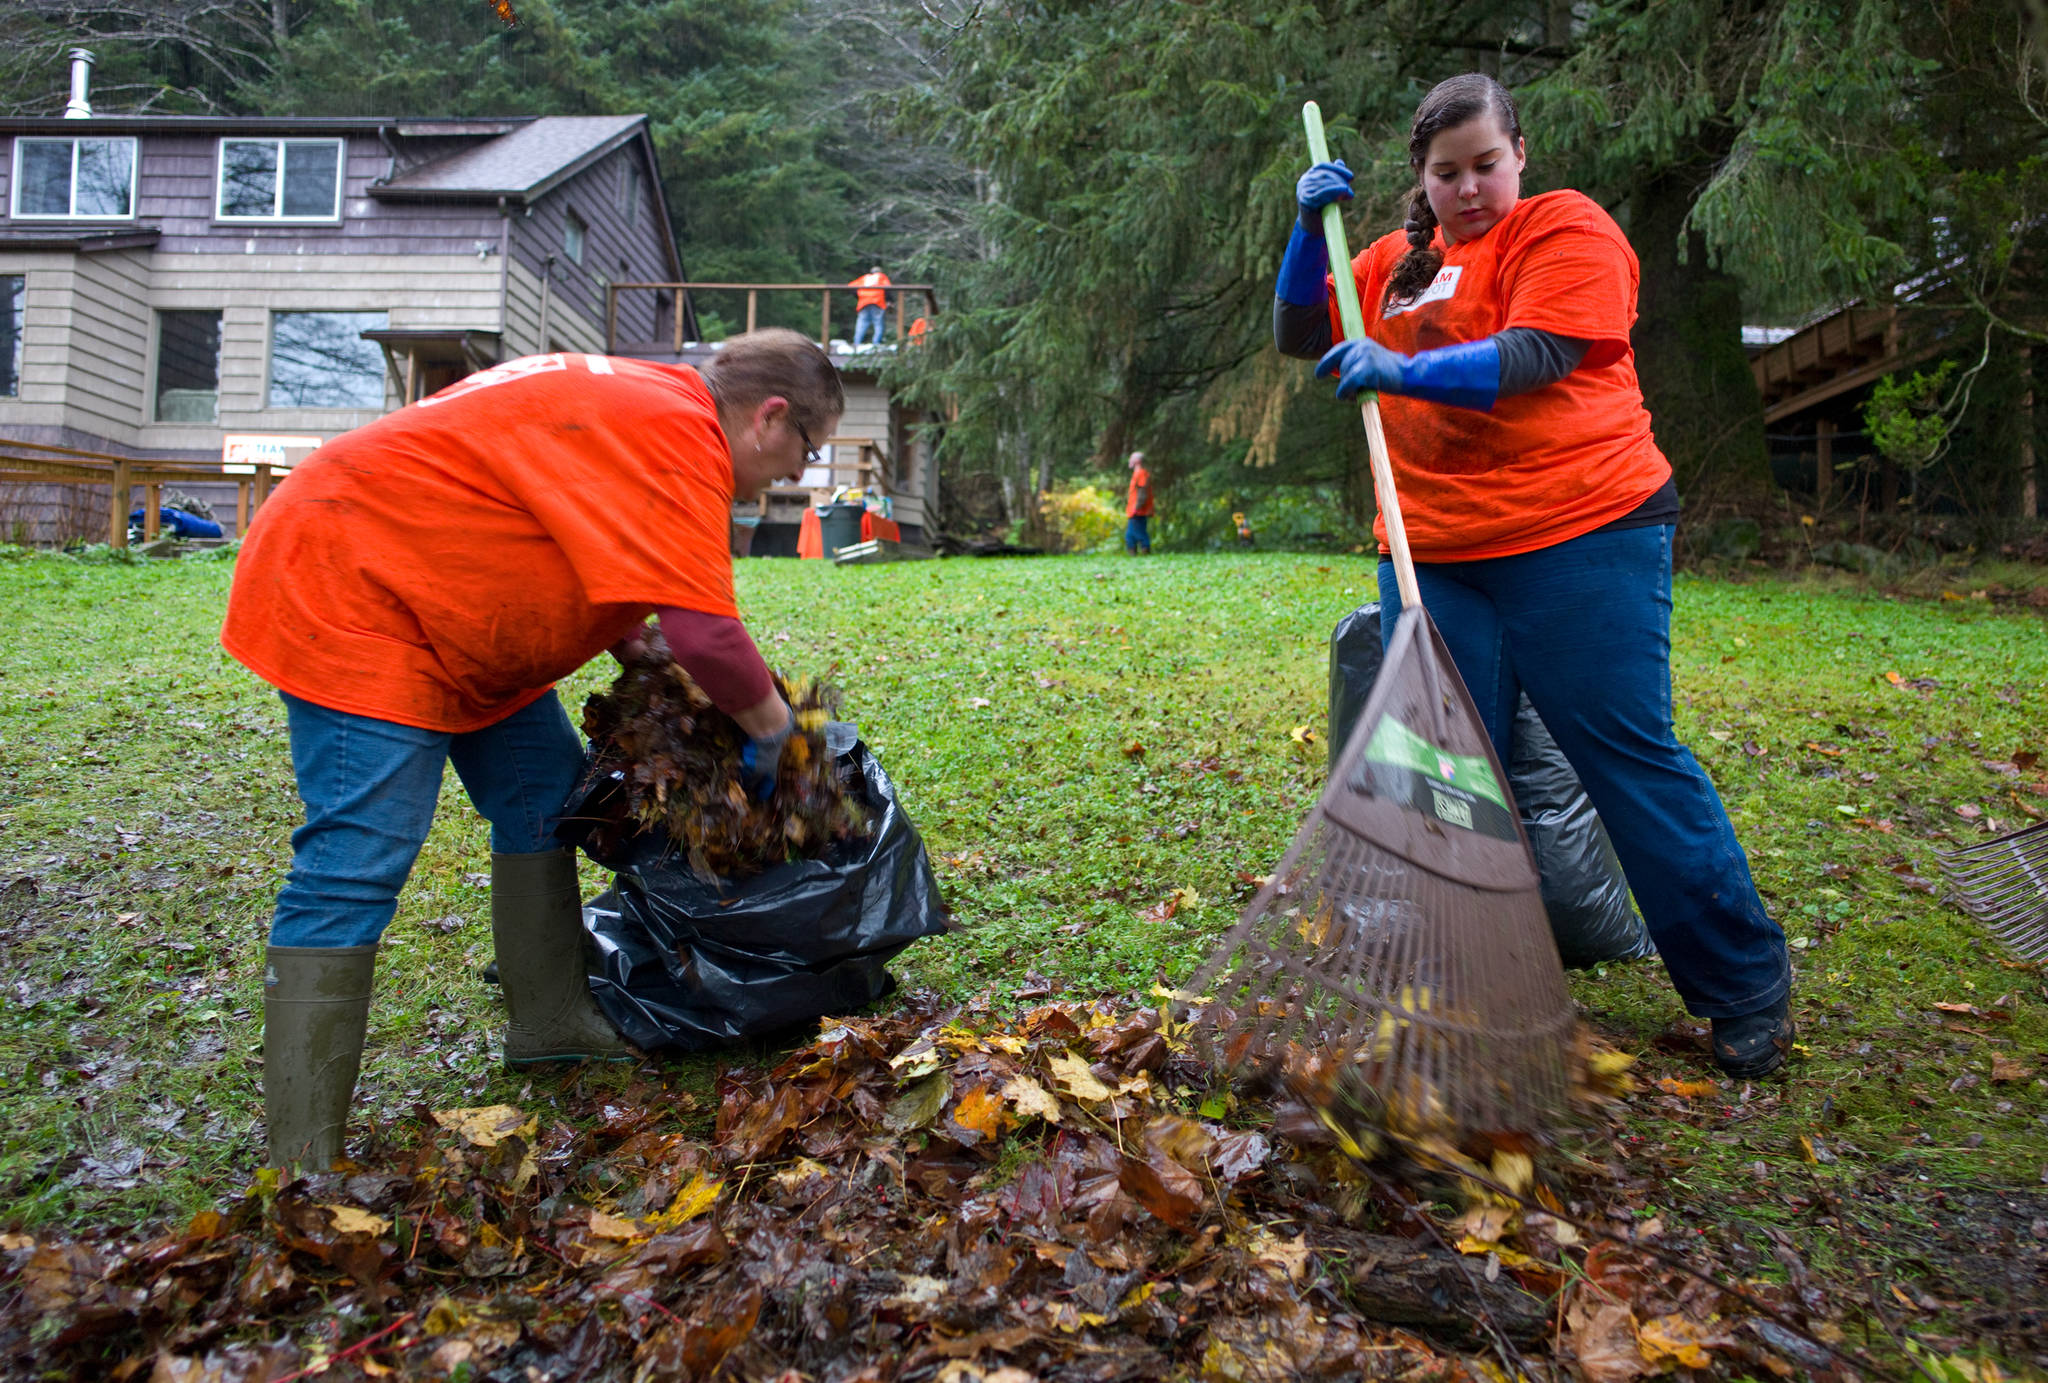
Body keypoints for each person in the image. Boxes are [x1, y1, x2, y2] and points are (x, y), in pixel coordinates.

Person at [1272, 73, 1793, 1079]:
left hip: (1580, 532)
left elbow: (1537, 352)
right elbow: (1301, 333)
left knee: (1625, 757)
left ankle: (1742, 987)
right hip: (1430, 552)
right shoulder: (1388, 260)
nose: (1466, 189)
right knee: (1448, 776)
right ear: (1419, 181)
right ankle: (1465, 981)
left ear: (1517, 157)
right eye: (1444, 173)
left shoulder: (1564, 229)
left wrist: (1402, 371)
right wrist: (1307, 231)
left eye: (1483, 166)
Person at [221, 329, 845, 1168]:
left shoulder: (647, 404)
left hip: (456, 604)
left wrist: (647, 664)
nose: (801, 472)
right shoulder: (680, 433)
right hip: (358, 582)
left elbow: (581, 533)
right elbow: (706, 632)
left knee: (544, 798)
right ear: (771, 415)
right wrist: (781, 737)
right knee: (359, 856)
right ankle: (301, 1154)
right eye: (808, 447)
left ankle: (548, 1022)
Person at [851, 265, 891, 347]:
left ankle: (856, 343)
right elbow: (888, 288)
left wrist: (859, 296)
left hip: (864, 303)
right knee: (878, 324)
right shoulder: (881, 276)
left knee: (862, 323)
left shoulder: (865, 277)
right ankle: (876, 345)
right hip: (878, 302)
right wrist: (889, 300)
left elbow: (851, 286)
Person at [1125, 450, 1153, 554]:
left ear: (1137, 461)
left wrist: (1138, 507)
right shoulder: (1137, 473)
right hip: (1134, 509)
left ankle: (1145, 549)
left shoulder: (1141, 474)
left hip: (1138, 510)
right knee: (1130, 534)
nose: (1129, 460)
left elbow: (1142, 492)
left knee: (1138, 532)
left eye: (1131, 458)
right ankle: (1133, 552)